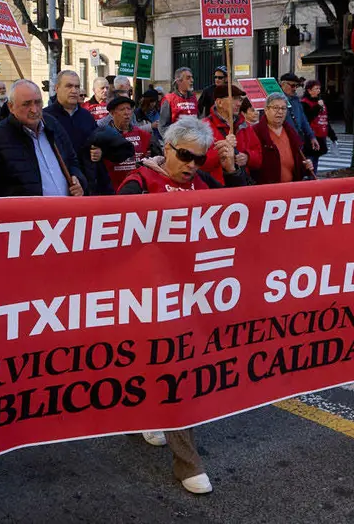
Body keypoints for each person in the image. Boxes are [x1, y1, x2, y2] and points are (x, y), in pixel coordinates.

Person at [118, 116, 248, 496]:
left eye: (200, 159)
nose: (192, 165)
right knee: (171, 370)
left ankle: (145, 413)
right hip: (147, 298)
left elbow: (246, 212)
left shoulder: (204, 181)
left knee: (167, 368)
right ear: (167, 149)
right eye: (186, 156)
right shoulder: (139, 184)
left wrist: (229, 171)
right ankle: (187, 461)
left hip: (193, 296)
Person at [0, 80, 87, 198]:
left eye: (38, 102)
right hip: (26, 215)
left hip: (65, 212)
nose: (34, 110)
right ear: (11, 107)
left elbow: (72, 161)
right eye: (26, 104)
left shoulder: (52, 124)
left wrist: (77, 179)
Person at [44, 70, 101, 188]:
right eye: (69, 86)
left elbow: (96, 142)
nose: (74, 91)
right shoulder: (45, 117)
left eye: (77, 86)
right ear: (57, 88)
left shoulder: (87, 116)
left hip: (86, 183)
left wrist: (99, 151)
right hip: (58, 183)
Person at [201, 84, 260, 185]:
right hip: (216, 187)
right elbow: (199, 164)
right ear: (219, 102)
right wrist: (222, 151)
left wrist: (247, 157)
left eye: (240, 100)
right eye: (234, 99)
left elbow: (259, 156)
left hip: (241, 185)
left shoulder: (245, 126)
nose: (239, 104)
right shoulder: (203, 127)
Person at [249, 93, 314, 184]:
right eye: (275, 108)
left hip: (290, 188)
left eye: (283, 108)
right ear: (266, 109)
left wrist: (305, 166)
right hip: (266, 189)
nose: (280, 112)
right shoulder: (255, 132)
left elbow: (297, 162)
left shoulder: (291, 132)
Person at [102, 96, 155, 191]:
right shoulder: (103, 135)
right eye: (122, 109)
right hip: (112, 190)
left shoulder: (143, 134)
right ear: (112, 113)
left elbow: (154, 158)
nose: (127, 113)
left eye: (129, 109)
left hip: (137, 188)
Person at [299, 79, 339, 171]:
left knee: (316, 158)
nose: (318, 91)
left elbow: (325, 120)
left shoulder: (320, 102)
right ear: (309, 90)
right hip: (310, 136)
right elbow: (307, 118)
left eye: (319, 89)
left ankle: (312, 176)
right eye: (316, 88)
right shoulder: (304, 103)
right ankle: (310, 177)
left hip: (321, 134)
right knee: (310, 159)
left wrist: (332, 136)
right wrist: (317, 107)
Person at [277, 74, 320, 153]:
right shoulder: (276, 101)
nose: (295, 88)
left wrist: (312, 137)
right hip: (282, 142)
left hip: (297, 141)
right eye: (292, 86)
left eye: (297, 86)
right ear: (283, 84)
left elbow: (303, 120)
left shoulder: (296, 100)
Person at [159, 67, 198, 133]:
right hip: (178, 141)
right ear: (179, 81)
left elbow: (198, 119)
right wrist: (173, 142)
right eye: (188, 78)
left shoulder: (193, 97)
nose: (192, 80)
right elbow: (162, 126)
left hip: (194, 140)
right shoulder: (168, 99)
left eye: (192, 77)